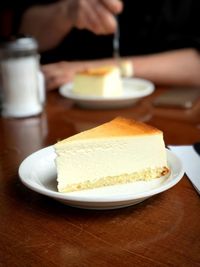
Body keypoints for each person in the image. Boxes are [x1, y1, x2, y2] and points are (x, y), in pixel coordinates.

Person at [2, 0, 200, 90]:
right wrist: (67, 11)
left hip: (169, 105)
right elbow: (23, 33)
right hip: (58, 103)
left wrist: (94, 70)